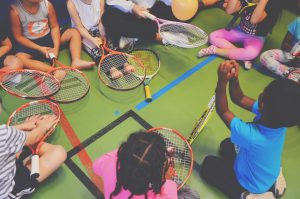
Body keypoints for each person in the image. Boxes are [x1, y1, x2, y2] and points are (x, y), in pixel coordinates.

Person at [200, 60, 300, 199]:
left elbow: (223, 111)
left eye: (264, 90)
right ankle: (274, 178)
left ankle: (252, 195)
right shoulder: (279, 119)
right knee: (226, 145)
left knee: (209, 165)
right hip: (266, 170)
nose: (262, 91)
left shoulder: (252, 136)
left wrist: (222, 81)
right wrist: (233, 78)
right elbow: (239, 98)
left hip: (250, 184)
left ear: (263, 104)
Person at [93, 131, 200, 199]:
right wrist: (167, 178)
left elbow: (96, 167)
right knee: (193, 195)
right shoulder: (167, 191)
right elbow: (165, 184)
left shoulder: (110, 160)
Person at [10, 0, 95, 74]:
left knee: (74, 32)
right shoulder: (15, 11)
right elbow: (19, 37)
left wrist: (56, 47)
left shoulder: (47, 4)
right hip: (32, 44)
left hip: (49, 37)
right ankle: (53, 70)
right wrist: (39, 48)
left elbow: (54, 27)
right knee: (20, 58)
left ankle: (76, 61)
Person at [198, 0, 282, 70]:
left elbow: (254, 20)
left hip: (256, 37)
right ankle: (242, 58)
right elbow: (229, 10)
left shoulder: (272, 4)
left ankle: (215, 50)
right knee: (213, 36)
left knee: (251, 54)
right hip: (240, 30)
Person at [102, 0, 222, 49]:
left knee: (188, 13)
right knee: (108, 17)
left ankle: (136, 34)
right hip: (129, 11)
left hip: (152, 10)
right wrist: (132, 7)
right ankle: (158, 37)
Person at [0, 115, 67, 199]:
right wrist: (42, 126)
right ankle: (23, 145)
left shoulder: (4, 133)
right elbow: (34, 138)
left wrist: (21, 127)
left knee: (18, 147)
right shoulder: (4, 134)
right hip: (10, 188)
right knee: (59, 152)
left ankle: (22, 146)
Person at [260, 17, 300, 83]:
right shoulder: (298, 21)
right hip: (290, 55)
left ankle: (292, 74)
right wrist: (295, 52)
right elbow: (285, 44)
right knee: (265, 56)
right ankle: (290, 73)